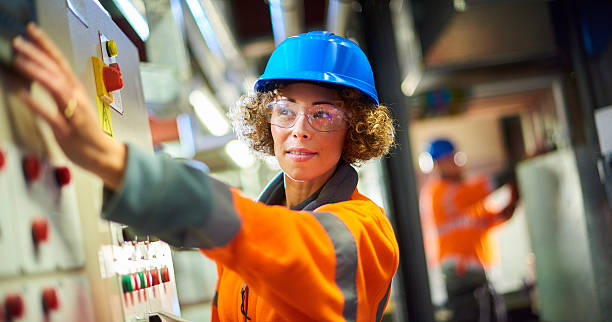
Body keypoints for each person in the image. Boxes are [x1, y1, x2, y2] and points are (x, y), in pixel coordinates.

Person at [12, 24, 398, 321]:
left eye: (323, 114)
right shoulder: (248, 245)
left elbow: (288, 246)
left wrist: (111, 160)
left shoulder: (366, 230)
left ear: (355, 130)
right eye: (285, 109)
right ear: (267, 120)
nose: (300, 129)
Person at [419, 139, 519, 322]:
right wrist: (516, 169)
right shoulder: (439, 193)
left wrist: (515, 192)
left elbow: (501, 216)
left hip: (481, 279)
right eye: (452, 159)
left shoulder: (465, 200)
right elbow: (489, 185)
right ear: (438, 164)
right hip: (461, 279)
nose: (458, 164)